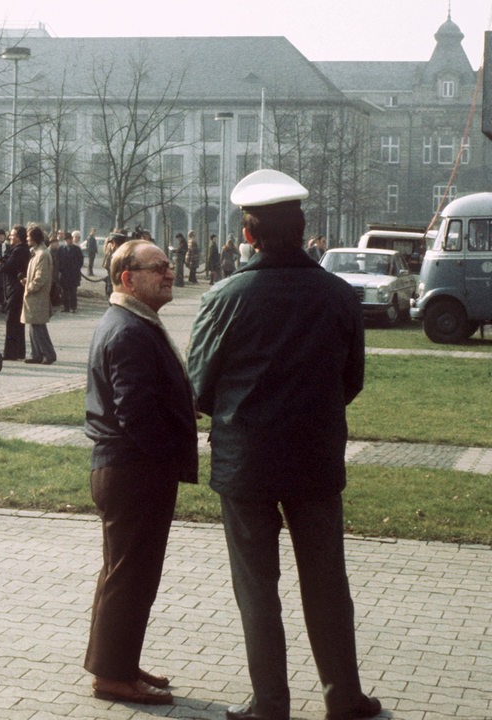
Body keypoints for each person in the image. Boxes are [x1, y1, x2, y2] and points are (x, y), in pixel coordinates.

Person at [186, 169, 381, 720]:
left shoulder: (224, 297)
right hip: (316, 458)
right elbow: (352, 379)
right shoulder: (339, 295)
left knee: (257, 588)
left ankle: (270, 702)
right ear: (304, 229)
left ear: (248, 235)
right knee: (326, 584)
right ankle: (344, 696)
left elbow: (198, 386)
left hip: (245, 462)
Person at [84, 236, 197, 707]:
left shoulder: (131, 322)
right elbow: (136, 413)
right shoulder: (129, 330)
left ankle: (118, 662)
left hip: (129, 469)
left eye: (169, 264)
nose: (169, 273)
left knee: (124, 574)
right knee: (130, 576)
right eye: (158, 267)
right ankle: (112, 677)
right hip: (135, 471)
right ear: (128, 278)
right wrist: (165, 459)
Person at [21, 225, 56, 364]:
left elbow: (41, 277)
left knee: (38, 326)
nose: (27, 239)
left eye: (29, 237)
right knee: (33, 326)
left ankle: (48, 354)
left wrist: (30, 287)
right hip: (34, 295)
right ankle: (36, 354)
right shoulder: (38, 253)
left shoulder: (42, 254)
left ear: (35, 238)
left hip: (37, 295)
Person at [0, 225, 30, 361]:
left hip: (15, 289)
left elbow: (7, 267)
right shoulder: (18, 250)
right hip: (15, 288)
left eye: (13, 235)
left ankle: (10, 352)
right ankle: (19, 351)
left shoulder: (19, 251)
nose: (10, 237)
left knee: (12, 320)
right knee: (18, 321)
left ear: (19, 237)